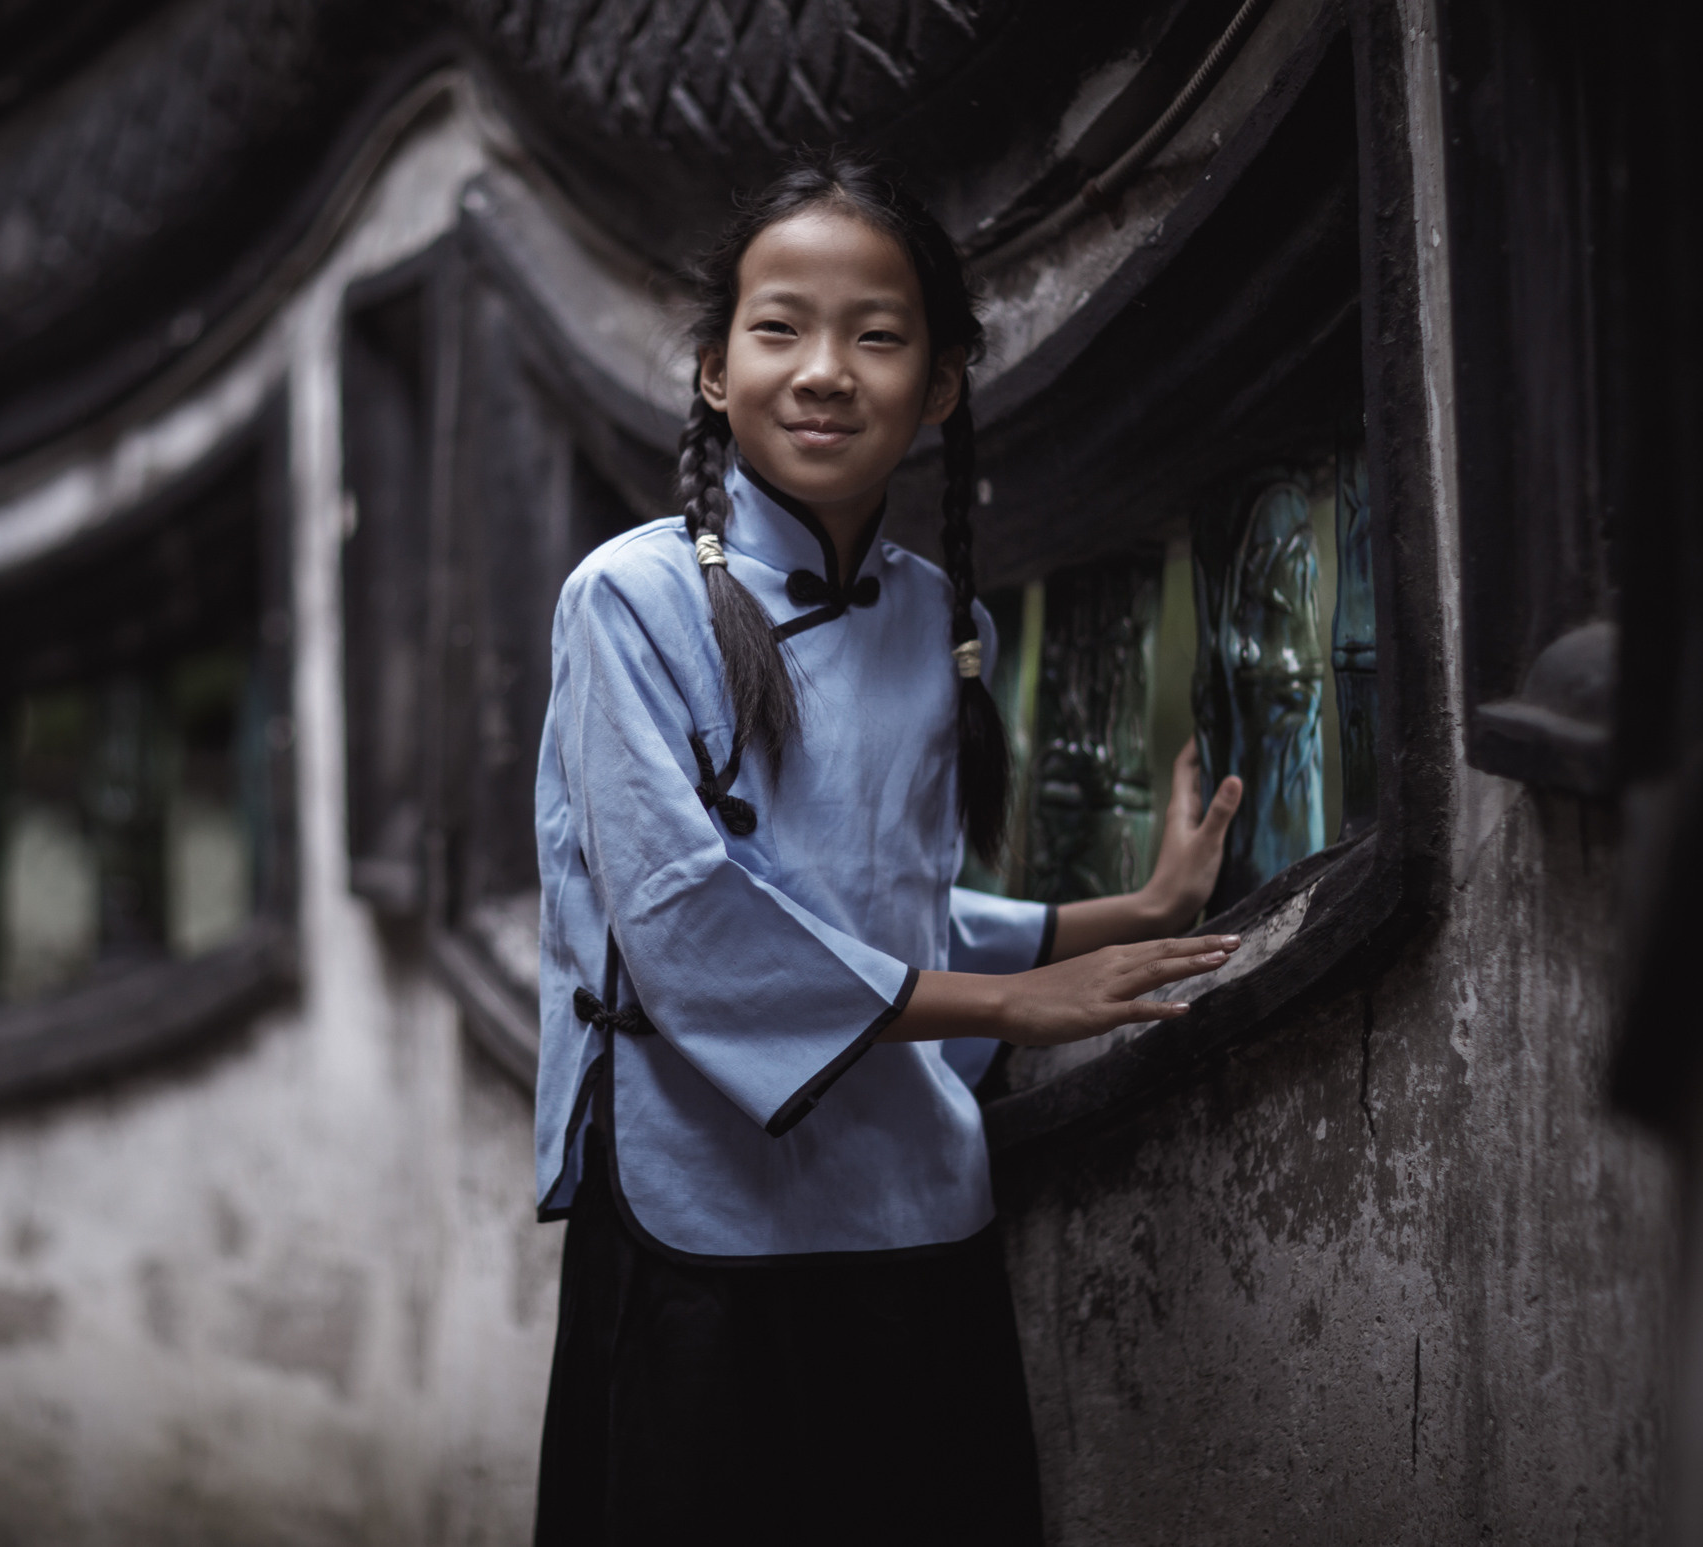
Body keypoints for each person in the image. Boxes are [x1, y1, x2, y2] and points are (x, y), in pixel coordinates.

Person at [530, 152, 1245, 1546]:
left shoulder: (935, 617)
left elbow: (885, 909)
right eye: (779, 328)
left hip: (908, 1199)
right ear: (714, 370)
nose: (823, 371)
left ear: (943, 383)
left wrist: (1130, 912)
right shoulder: (629, 598)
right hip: (700, 1210)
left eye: (877, 335)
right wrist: (1007, 1006)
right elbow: (686, 922)